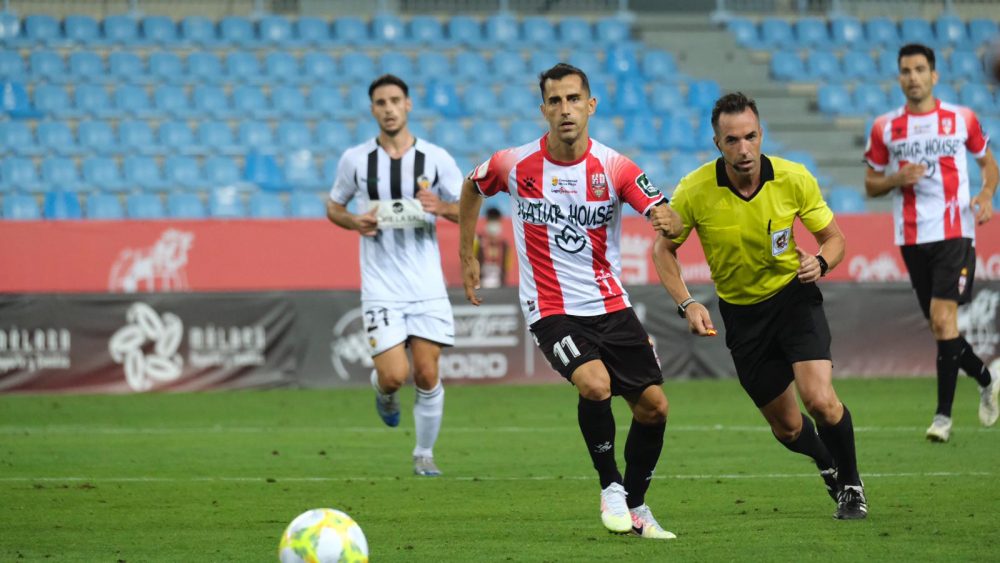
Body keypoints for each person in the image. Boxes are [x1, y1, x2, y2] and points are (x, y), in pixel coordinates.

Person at [458, 63, 683, 539]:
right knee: (595, 384)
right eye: (555, 101)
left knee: (655, 408)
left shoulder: (615, 166)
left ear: (591, 105)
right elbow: (471, 185)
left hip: (610, 303)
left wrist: (668, 221)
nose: (565, 110)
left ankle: (637, 505)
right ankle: (610, 488)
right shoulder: (514, 163)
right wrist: (467, 253)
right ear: (543, 109)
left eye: (574, 99)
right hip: (550, 307)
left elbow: (661, 210)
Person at [652, 92, 868, 520]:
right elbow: (663, 250)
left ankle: (851, 484)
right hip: (742, 315)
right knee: (787, 428)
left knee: (820, 400)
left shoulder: (793, 178)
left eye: (750, 136)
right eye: (732, 140)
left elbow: (836, 239)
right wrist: (687, 302)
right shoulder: (695, 190)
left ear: (761, 134)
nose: (744, 148)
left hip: (793, 298)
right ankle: (825, 459)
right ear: (718, 144)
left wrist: (821, 262)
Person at [327, 74, 463, 476]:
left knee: (426, 372)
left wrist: (439, 207)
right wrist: (353, 221)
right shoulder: (356, 159)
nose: (388, 108)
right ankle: (383, 393)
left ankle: (424, 454)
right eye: (380, 102)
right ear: (372, 109)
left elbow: (465, 209)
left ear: (408, 105)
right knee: (394, 376)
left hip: (426, 286)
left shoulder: (436, 158)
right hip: (382, 286)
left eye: (395, 101)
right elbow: (333, 206)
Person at [864, 43, 1000, 442]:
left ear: (934, 75)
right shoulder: (885, 128)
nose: (913, 77)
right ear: (899, 77)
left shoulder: (962, 119)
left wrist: (987, 193)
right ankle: (986, 377)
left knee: (943, 322)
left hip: (955, 232)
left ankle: (942, 418)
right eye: (906, 70)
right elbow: (871, 183)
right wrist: (894, 179)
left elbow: (988, 163)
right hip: (911, 237)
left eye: (920, 69)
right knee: (941, 329)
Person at [473, 207, 513, 288]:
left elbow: (507, 266)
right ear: (487, 220)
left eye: (496, 220)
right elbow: (470, 261)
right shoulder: (478, 240)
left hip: (499, 286)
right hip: (480, 285)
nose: (493, 222)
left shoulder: (505, 245)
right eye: (491, 219)